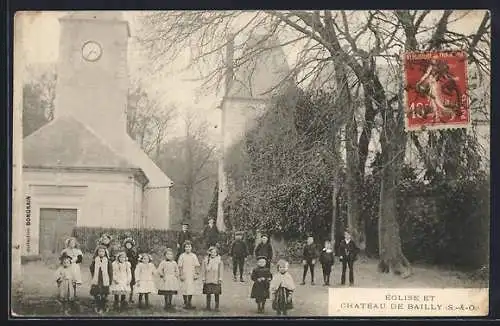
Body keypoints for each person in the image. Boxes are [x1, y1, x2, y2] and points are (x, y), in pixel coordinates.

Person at [89, 245, 113, 314]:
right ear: (97, 252)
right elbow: (91, 268)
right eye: (99, 251)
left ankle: (103, 306)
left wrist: (110, 280)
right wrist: (94, 275)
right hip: (97, 279)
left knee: (104, 294)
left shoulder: (108, 261)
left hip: (104, 280)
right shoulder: (95, 260)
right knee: (96, 293)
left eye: (102, 251)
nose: (101, 253)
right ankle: (97, 305)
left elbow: (110, 272)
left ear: (105, 253)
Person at [178, 240, 200, 310]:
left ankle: (189, 302)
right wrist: (181, 275)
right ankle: (185, 302)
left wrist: (196, 274)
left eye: (189, 247)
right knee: (184, 288)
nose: (188, 248)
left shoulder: (194, 256)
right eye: (186, 247)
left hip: (191, 274)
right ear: (184, 248)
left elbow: (197, 265)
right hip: (184, 274)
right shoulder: (182, 256)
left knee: (190, 288)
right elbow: (180, 266)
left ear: (191, 248)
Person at [201, 246, 224, 311]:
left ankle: (217, 307)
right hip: (208, 279)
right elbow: (203, 270)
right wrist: (203, 278)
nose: (213, 253)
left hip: (216, 280)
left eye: (215, 252)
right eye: (212, 252)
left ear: (217, 253)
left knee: (216, 293)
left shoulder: (219, 261)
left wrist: (220, 278)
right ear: (209, 253)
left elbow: (221, 270)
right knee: (208, 293)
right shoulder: (205, 260)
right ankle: (208, 306)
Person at [123, 237, 139, 303]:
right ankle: (123, 298)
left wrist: (128, 259)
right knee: (123, 282)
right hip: (125, 268)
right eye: (127, 245)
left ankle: (130, 297)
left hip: (132, 268)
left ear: (132, 245)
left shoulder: (133, 251)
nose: (128, 246)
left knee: (131, 283)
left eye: (129, 244)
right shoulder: (124, 251)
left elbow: (135, 260)